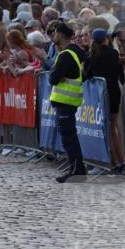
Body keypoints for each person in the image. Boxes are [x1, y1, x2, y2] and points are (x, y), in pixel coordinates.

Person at [83, 28, 125, 173]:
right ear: (106, 39)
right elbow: (120, 74)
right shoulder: (114, 54)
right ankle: (120, 162)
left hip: (100, 97)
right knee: (113, 129)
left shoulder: (92, 56)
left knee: (105, 130)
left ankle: (112, 163)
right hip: (114, 94)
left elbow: (86, 75)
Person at [49, 21, 87, 183]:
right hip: (70, 102)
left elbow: (53, 78)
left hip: (65, 102)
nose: (54, 36)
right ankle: (77, 169)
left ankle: (77, 170)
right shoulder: (76, 51)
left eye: (55, 33)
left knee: (69, 138)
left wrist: (55, 73)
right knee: (70, 137)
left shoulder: (65, 55)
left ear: (62, 35)